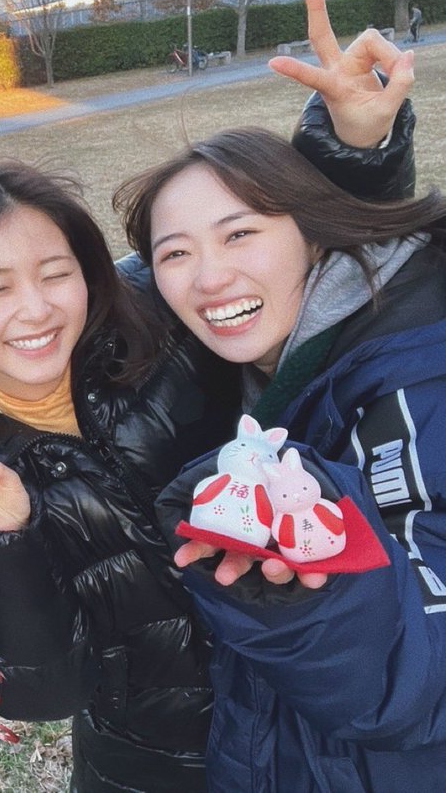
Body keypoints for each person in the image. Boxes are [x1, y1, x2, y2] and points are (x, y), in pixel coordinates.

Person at [0, 161, 240, 791]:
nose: (36, 310)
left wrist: (357, 146)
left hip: (303, 694)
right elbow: (41, 694)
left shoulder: (159, 320)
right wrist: (4, 541)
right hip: (154, 762)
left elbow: (300, 264)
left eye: (56, 274)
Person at [114, 125, 446, 790]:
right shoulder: (252, 372)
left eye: (239, 234)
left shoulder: (416, 384)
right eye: (175, 253)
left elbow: (423, 678)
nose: (210, 277)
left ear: (316, 233)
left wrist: (312, 585)